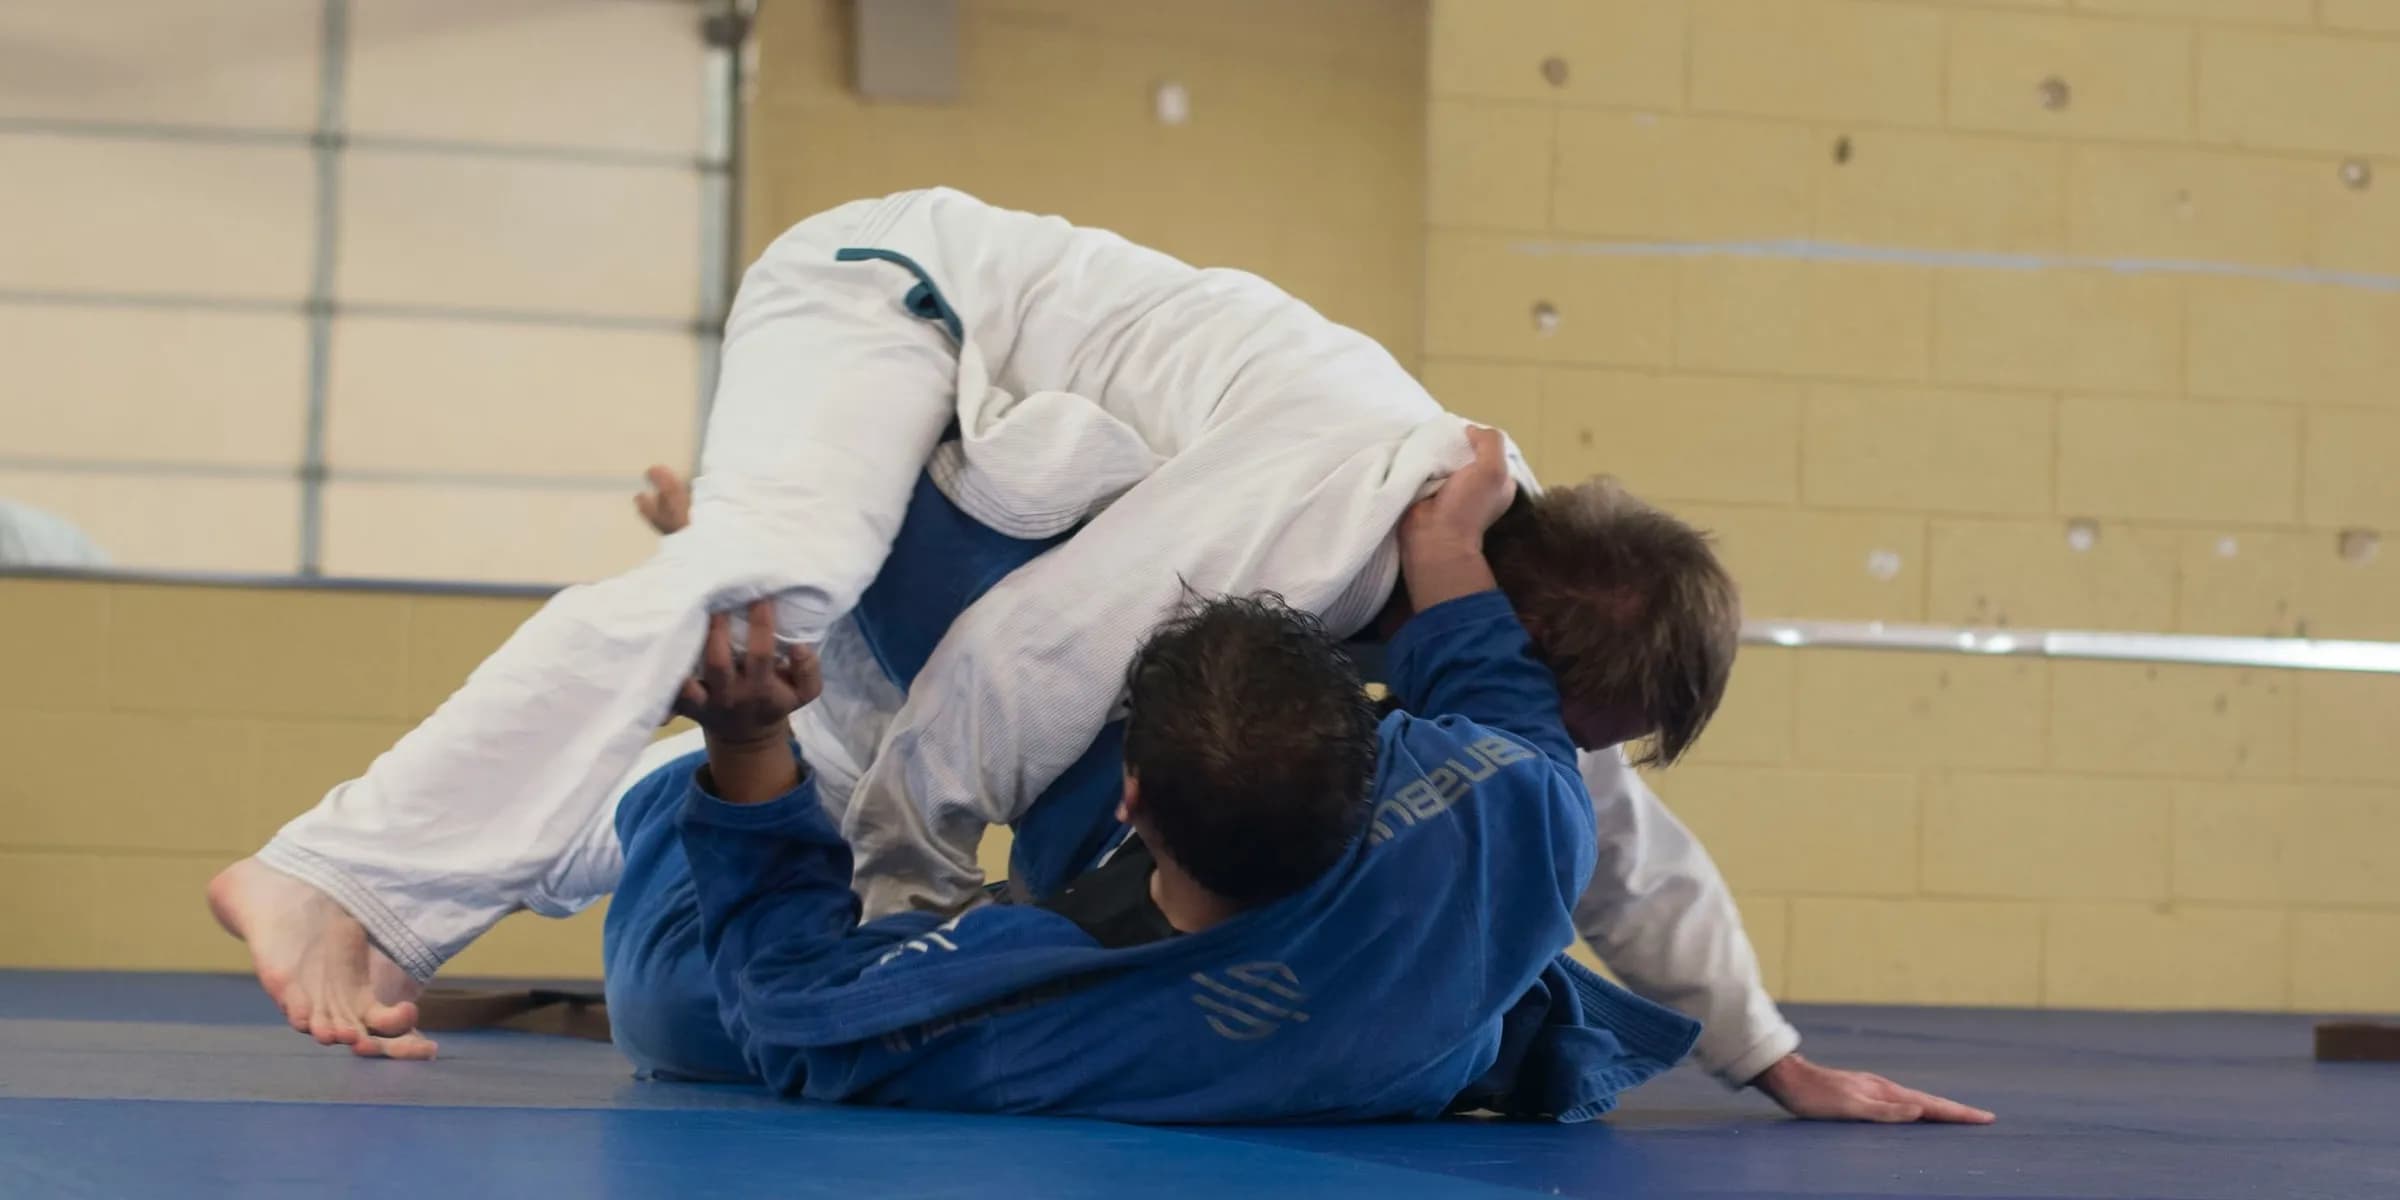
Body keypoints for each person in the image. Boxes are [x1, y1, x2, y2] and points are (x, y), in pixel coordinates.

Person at [211, 189, 1988, 1123]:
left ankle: (684, 779)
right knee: (783, 578)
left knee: (812, 717)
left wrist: (1767, 1053)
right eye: (1566, 708)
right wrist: (903, 914)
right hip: (891, 294)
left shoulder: (1484, 617)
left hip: (1004, 469)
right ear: (1513, 626)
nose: (1559, 742)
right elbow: (1014, 660)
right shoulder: (1319, 518)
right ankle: (332, 869)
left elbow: (1605, 827)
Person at [600, 439, 1698, 1120]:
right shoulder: (1514, 812)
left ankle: (701, 774)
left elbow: (785, 1009)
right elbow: (1502, 694)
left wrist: (745, 747)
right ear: (1373, 761)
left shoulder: (1044, 1016)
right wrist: (1455, 552)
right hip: (1357, 1025)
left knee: (680, 1015)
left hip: (734, 882)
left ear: (1130, 799)